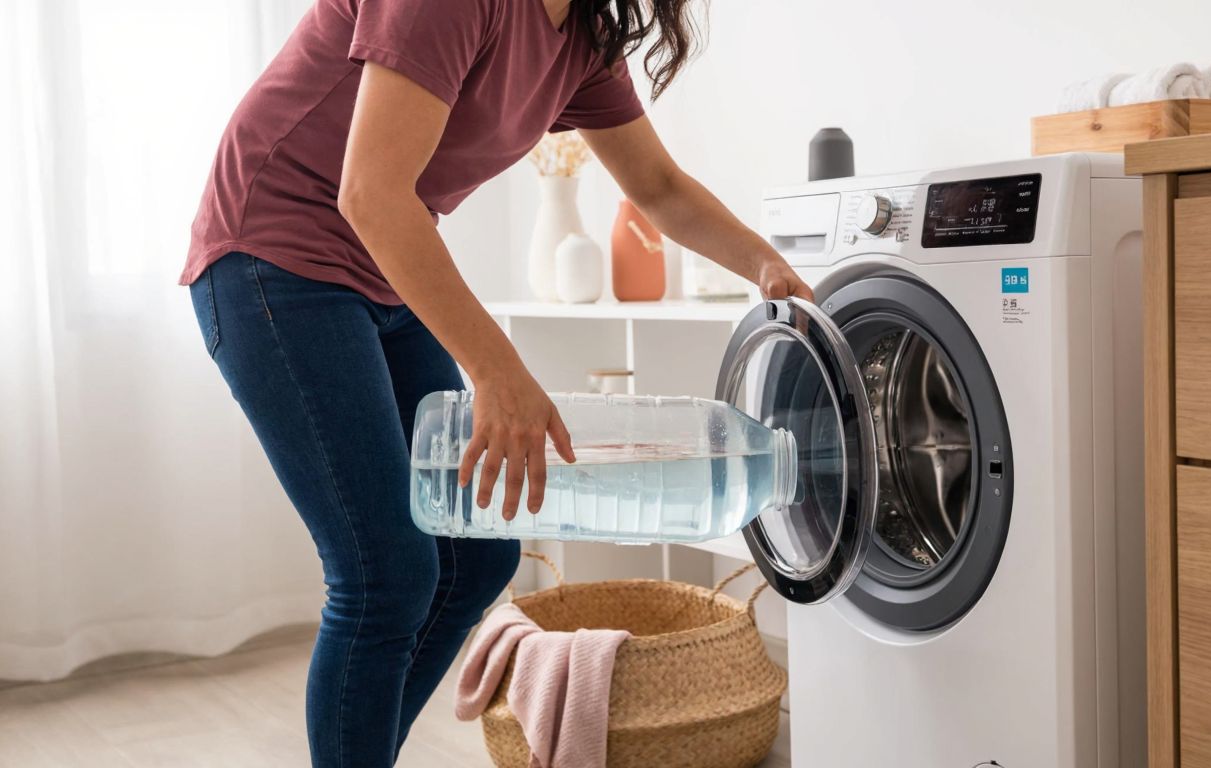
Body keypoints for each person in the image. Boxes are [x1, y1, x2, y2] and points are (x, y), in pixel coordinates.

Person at [179, 0, 812, 764]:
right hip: (274, 257)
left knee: (476, 557)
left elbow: (658, 186)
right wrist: (496, 370)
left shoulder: (581, 34)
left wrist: (768, 268)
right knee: (384, 573)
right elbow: (371, 193)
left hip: (380, 276)